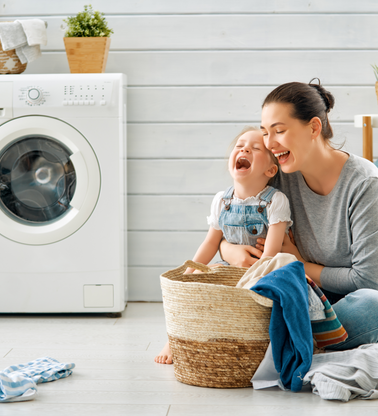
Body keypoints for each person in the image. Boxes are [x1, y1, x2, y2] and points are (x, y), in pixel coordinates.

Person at [220, 79, 378, 352]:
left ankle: (283, 342)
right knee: (220, 276)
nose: (270, 144)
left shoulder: (364, 185)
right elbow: (227, 218)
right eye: (265, 133)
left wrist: (298, 264)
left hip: (344, 303)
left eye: (278, 131)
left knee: (371, 305)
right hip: (293, 295)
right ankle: (298, 341)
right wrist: (228, 251)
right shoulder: (277, 173)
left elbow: (367, 281)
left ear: (314, 127)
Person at [155, 127, 292, 364]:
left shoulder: (275, 201)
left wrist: (253, 277)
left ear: (271, 169)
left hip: (260, 270)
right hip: (228, 266)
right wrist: (191, 270)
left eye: (256, 148)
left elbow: (270, 255)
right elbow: (211, 241)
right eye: (240, 145)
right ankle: (175, 337)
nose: (244, 148)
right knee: (198, 281)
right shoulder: (222, 200)